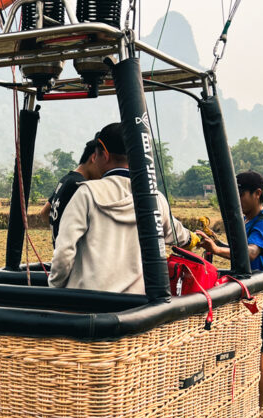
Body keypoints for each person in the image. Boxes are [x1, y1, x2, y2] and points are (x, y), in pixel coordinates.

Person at [49, 123, 193, 295]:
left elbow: (64, 252)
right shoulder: (155, 199)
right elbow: (179, 235)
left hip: (86, 307)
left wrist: (55, 288)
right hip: (136, 310)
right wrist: (196, 238)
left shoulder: (86, 193)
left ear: (104, 154)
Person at [196, 170, 263, 407]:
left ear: (257, 193)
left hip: (262, 301)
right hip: (247, 297)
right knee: (245, 354)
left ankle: (256, 416)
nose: (238, 200)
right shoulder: (247, 220)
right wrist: (215, 242)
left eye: (241, 194)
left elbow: (251, 253)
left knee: (258, 359)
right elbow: (236, 248)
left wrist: (218, 249)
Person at [39, 140, 102, 246]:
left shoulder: (66, 179)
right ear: (94, 158)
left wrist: (57, 229)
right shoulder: (80, 185)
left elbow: (45, 212)